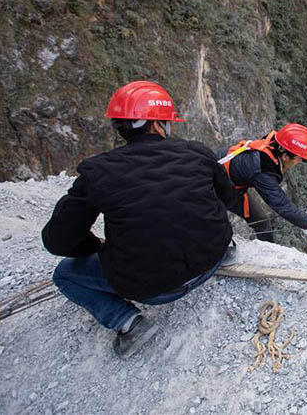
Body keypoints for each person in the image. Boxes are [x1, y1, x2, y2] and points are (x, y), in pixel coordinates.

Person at [42, 81, 236, 359]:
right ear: (159, 125)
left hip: (150, 289)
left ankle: (128, 322)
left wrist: (96, 247)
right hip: (213, 259)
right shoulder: (197, 152)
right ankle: (224, 248)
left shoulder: (97, 172)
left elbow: (57, 240)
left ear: (119, 127)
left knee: (65, 274)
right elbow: (227, 198)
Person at [217, 123, 307, 246]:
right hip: (218, 185)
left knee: (262, 222)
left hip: (228, 168)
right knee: (218, 230)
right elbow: (283, 206)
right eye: (299, 159)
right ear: (286, 157)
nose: (300, 161)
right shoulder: (263, 171)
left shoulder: (281, 142)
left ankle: (267, 252)